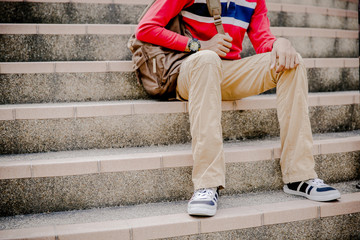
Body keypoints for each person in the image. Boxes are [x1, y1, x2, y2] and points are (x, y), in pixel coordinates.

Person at [135, 0, 341, 217]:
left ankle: (299, 175)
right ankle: (207, 184)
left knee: (292, 62)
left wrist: (280, 43)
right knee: (207, 59)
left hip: (228, 71)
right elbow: (146, 28)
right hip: (192, 70)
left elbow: (263, 41)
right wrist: (198, 45)